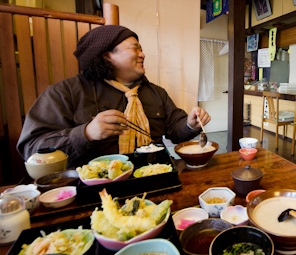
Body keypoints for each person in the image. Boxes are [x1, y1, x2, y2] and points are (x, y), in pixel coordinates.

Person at [18, 25, 212, 165]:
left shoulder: (155, 92)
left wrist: (189, 124)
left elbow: (175, 131)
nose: (142, 54)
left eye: (141, 49)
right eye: (135, 48)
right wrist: (86, 133)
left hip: (154, 176)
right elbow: (32, 148)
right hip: (92, 189)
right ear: (106, 55)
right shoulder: (66, 92)